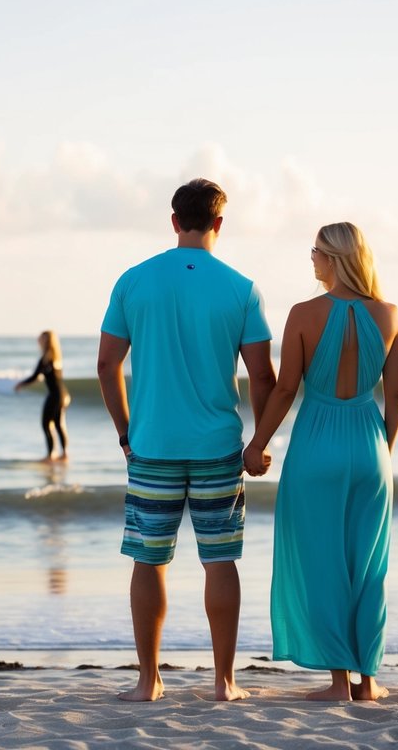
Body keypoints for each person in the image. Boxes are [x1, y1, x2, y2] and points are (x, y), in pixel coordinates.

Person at [97, 178, 277, 703]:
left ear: (174, 221)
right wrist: (260, 441)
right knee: (219, 560)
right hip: (219, 446)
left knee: (149, 560)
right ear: (219, 224)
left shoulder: (134, 281)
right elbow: (263, 377)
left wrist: (125, 432)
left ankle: (149, 680)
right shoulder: (242, 288)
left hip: (151, 444)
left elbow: (108, 365)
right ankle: (224, 681)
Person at [242, 222, 398, 703]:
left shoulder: (303, 314)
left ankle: (338, 684)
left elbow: (287, 388)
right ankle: (369, 682)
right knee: (369, 566)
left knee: (323, 563)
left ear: (333, 258)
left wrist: (258, 444)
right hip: (369, 448)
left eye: (315, 251)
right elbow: (395, 397)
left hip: (316, 447)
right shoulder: (391, 315)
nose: (310, 259)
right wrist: (383, 452)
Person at [16, 330, 71, 462]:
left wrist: (20, 384)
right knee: (58, 425)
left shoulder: (46, 358)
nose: (38, 341)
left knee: (46, 424)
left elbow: (35, 376)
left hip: (55, 395)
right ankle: (64, 454)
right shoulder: (57, 357)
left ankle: (50, 455)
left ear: (46, 341)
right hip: (63, 395)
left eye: (41, 339)